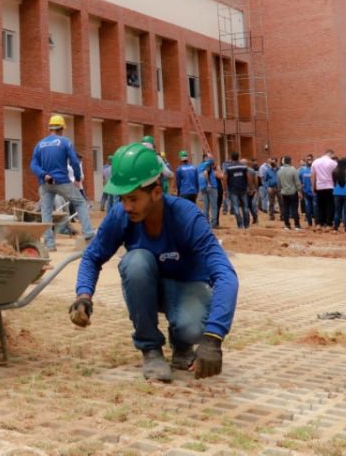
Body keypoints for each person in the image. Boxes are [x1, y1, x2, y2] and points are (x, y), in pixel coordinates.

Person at [68, 143, 238, 382]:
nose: (126, 206)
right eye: (122, 199)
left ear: (157, 192)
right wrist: (83, 295)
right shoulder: (121, 215)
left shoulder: (187, 217)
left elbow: (225, 274)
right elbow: (92, 256)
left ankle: (182, 346)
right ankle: (151, 350)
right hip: (147, 288)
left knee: (193, 329)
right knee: (135, 261)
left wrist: (214, 337)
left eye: (133, 199)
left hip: (185, 286)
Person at [31, 114, 94, 251]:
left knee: (46, 212)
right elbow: (74, 162)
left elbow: (33, 165)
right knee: (80, 202)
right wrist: (77, 179)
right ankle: (89, 236)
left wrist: (44, 174)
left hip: (45, 183)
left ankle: (49, 245)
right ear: (61, 128)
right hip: (62, 181)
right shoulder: (65, 142)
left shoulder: (40, 144)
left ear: (50, 128)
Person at [222, 153, 254, 230]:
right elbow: (248, 177)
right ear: (238, 157)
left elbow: (225, 179)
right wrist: (251, 188)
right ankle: (246, 225)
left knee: (236, 207)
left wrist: (225, 190)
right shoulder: (243, 166)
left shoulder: (228, 168)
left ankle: (240, 225)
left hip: (233, 190)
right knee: (245, 207)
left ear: (231, 158)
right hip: (243, 189)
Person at [311, 149, 337, 229]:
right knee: (329, 205)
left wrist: (313, 186)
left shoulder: (315, 162)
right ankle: (328, 223)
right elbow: (335, 176)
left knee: (320, 205)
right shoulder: (333, 163)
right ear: (331, 154)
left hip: (319, 186)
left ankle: (319, 223)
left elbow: (313, 176)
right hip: (330, 186)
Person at [277, 155, 302, 230]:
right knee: (294, 209)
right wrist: (299, 191)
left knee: (285, 209)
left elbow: (278, 183)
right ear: (290, 161)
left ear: (284, 161)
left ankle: (286, 225)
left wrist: (280, 190)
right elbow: (297, 182)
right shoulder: (293, 170)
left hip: (284, 192)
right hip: (293, 192)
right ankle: (297, 225)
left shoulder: (279, 171)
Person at [331, 157, 346, 233]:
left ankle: (335, 228)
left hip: (337, 192)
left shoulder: (335, 171)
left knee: (337, 211)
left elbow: (333, 182)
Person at [197, 153, 220, 229]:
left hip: (203, 187)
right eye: (210, 157)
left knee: (206, 206)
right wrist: (209, 183)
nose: (211, 158)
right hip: (211, 187)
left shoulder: (199, 166)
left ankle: (205, 222)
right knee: (214, 206)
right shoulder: (207, 164)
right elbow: (205, 173)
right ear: (205, 158)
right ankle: (213, 223)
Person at [299, 156, 315, 228]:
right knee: (311, 207)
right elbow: (299, 181)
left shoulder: (303, 170)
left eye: (310, 160)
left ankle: (312, 223)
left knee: (311, 207)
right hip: (309, 192)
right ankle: (313, 223)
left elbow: (299, 181)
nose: (309, 161)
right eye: (308, 160)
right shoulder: (314, 169)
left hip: (310, 192)